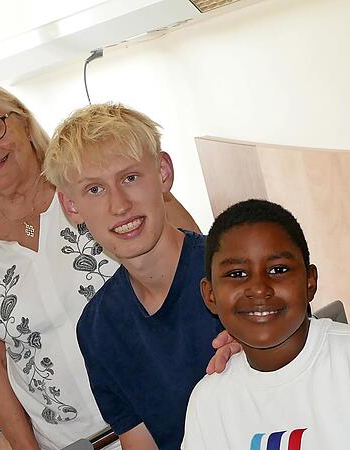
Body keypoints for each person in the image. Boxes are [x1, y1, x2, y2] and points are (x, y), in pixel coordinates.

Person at [0, 79, 199, 450]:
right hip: (72, 443)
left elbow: (199, 272)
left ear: (23, 122)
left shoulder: (95, 187)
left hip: (172, 417)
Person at [182, 199, 350, 450]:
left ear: (310, 282)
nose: (259, 289)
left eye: (278, 269)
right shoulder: (209, 402)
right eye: (237, 274)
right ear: (210, 295)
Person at [44, 103, 223, 450]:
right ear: (71, 206)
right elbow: (140, 442)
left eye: (129, 178)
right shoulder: (98, 329)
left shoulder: (234, 274)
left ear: (163, 173)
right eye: (94, 189)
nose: (119, 205)